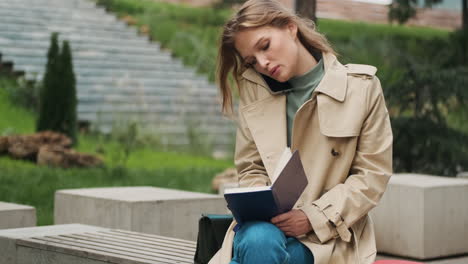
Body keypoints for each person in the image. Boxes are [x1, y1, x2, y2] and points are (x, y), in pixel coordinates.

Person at [210, 0, 393, 263]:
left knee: (273, 253)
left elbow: (372, 176)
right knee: (259, 240)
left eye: (265, 46)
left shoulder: (361, 89)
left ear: (290, 27)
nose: (263, 63)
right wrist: (265, 206)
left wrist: (312, 217)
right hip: (264, 226)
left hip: (327, 236)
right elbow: (251, 167)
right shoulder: (255, 89)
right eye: (252, 60)